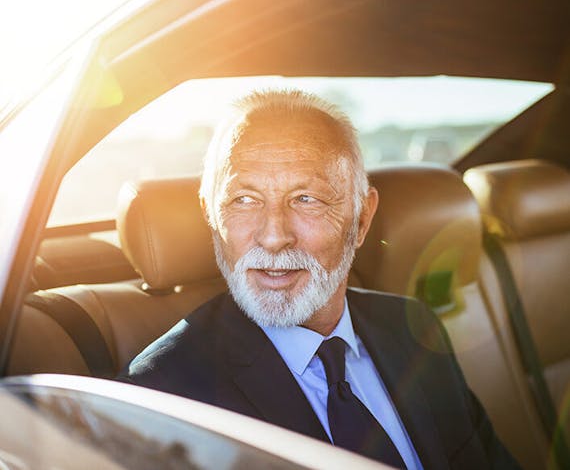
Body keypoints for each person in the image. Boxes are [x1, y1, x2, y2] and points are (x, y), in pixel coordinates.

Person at [119, 90, 520, 469]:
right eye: (244, 200)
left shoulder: (414, 329)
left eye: (305, 199)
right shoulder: (164, 394)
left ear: (362, 219)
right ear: (210, 213)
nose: (274, 236)